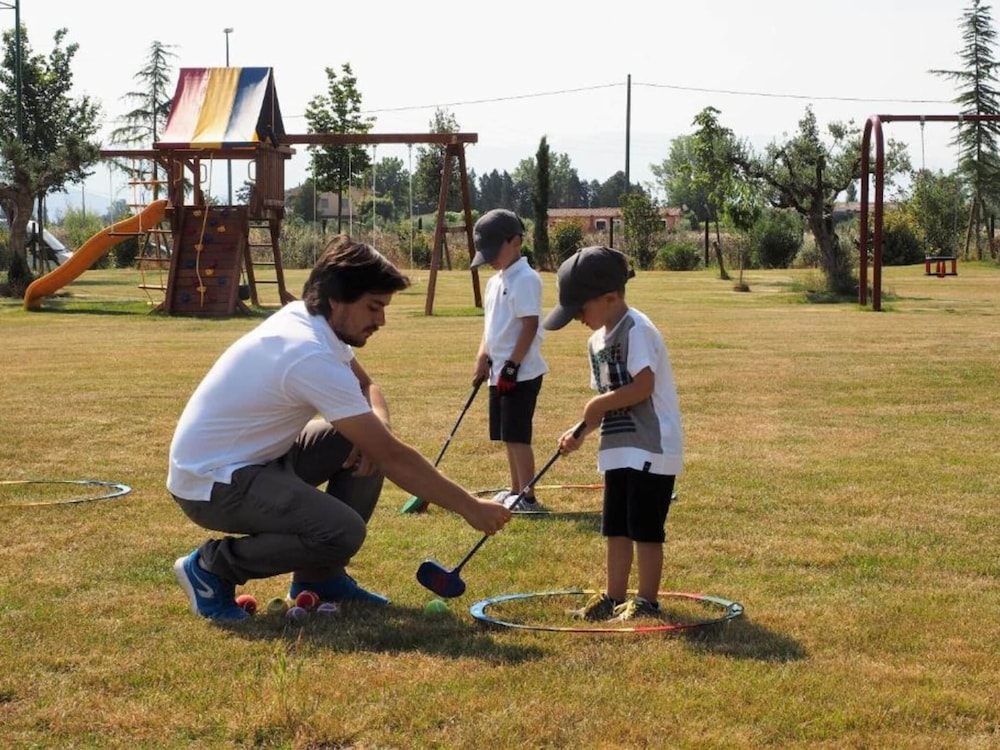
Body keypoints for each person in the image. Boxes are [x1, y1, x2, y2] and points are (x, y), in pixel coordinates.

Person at [168, 236, 512, 622]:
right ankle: (210, 569)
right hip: (209, 484)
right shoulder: (308, 351)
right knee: (342, 531)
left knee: (364, 439)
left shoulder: (313, 321)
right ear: (336, 299)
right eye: (373, 307)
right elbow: (394, 456)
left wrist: (375, 428)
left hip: (252, 461)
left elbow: (368, 387)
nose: (381, 320)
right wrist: (471, 507)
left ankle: (320, 579)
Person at [543, 246, 683, 621]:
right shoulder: (595, 342)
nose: (577, 320)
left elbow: (642, 387)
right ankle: (613, 596)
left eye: (580, 310)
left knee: (645, 528)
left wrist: (596, 409)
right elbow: (604, 400)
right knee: (616, 526)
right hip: (619, 448)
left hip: (652, 447)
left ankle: (647, 601)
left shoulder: (637, 330)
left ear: (610, 297)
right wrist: (582, 431)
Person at [470, 209, 548, 512]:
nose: (489, 258)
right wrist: (482, 356)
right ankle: (515, 489)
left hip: (521, 373)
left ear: (515, 241)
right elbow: (490, 327)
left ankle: (528, 497)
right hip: (497, 370)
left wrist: (512, 367)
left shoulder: (526, 279)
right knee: (506, 435)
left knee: (518, 435)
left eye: (493, 251)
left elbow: (529, 326)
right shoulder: (494, 282)